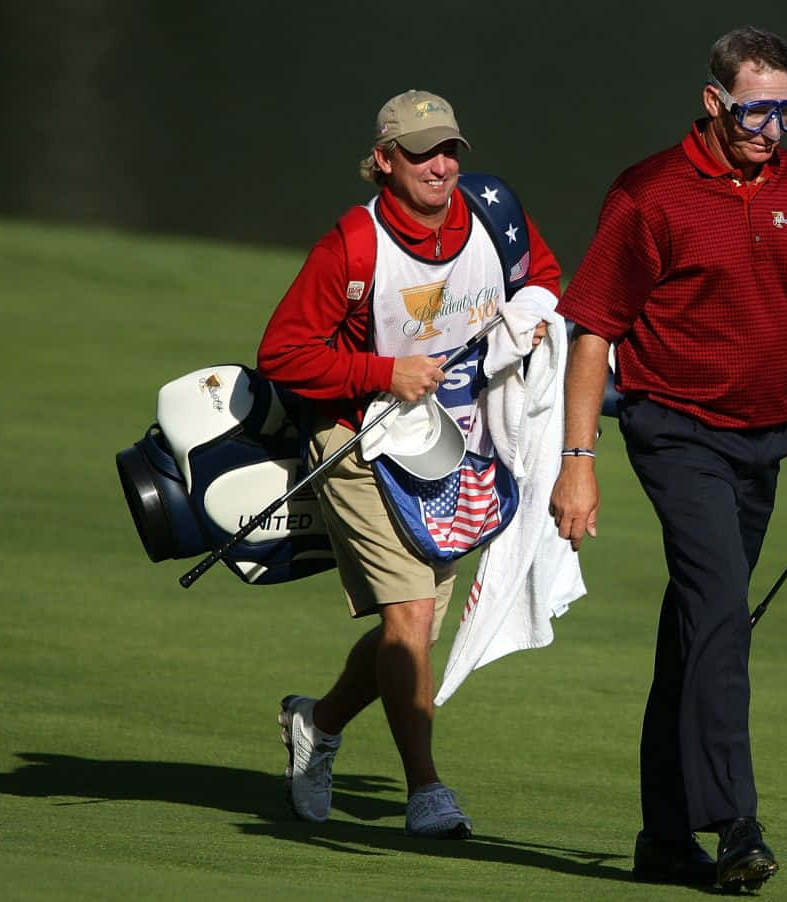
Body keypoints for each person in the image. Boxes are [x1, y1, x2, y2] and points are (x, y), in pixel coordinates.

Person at [549, 26, 787, 890]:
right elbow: (593, 331)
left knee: (694, 632)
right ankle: (735, 822)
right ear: (713, 103)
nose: (772, 129)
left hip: (763, 437)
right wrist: (578, 459)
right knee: (720, 616)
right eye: (756, 111)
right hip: (673, 429)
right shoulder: (650, 195)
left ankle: (663, 838)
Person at [257, 89, 561, 838]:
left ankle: (318, 724)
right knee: (411, 616)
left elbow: (545, 279)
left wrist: (526, 317)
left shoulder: (493, 211)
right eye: (422, 152)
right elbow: (284, 353)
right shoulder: (353, 245)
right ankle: (425, 790)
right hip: (359, 441)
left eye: (450, 148)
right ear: (384, 161)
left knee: (413, 635)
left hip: (455, 446)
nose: (441, 164)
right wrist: (380, 372)